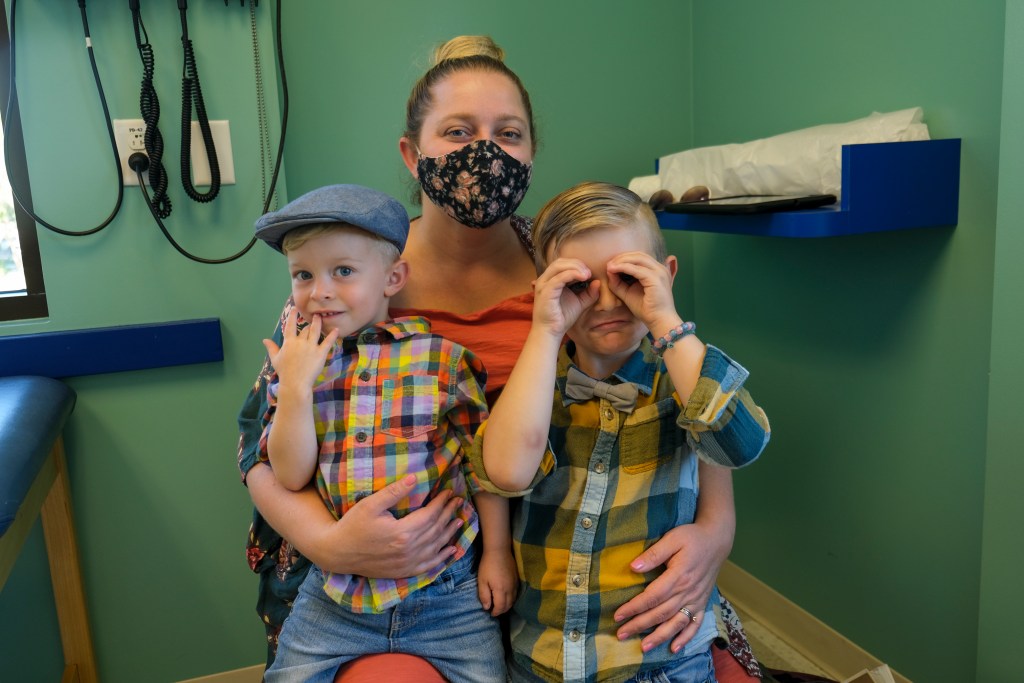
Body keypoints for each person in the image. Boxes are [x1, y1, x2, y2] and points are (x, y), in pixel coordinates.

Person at [237, 35, 762, 682]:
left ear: (531, 153)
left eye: (507, 134)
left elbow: (674, 391)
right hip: (391, 578)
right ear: (412, 151)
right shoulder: (352, 279)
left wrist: (717, 529)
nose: (483, 151)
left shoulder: (572, 267)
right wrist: (328, 542)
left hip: (583, 574)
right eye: (457, 131)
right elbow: (258, 453)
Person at [471, 181, 771, 683]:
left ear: (665, 275)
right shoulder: (533, 390)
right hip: (540, 660)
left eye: (628, 277)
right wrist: (545, 331)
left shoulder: (683, 381)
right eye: (580, 285)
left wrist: (664, 320)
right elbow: (503, 473)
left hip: (659, 658)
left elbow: (740, 444)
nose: (608, 302)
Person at [251, 184, 514, 682]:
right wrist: (297, 390)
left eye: (343, 271)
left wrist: (497, 554)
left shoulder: (443, 359)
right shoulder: (296, 363)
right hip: (335, 596)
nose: (320, 290)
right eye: (303, 275)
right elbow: (288, 473)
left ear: (393, 277)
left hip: (447, 592)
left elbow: (483, 468)